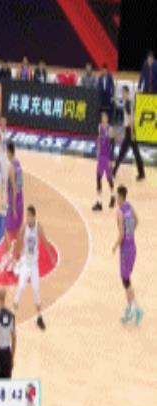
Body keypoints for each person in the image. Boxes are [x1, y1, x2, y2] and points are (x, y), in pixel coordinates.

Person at [13, 205, 54, 330]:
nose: (27, 218)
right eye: (27, 216)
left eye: (29, 216)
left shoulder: (38, 227)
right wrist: (15, 255)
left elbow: (45, 242)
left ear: (34, 217)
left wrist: (51, 256)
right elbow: (18, 240)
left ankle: (39, 317)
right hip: (25, 263)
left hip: (34, 265)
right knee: (20, 287)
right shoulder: (24, 227)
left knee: (36, 290)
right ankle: (12, 316)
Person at [112, 185, 143, 325]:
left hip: (125, 250)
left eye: (117, 196)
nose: (116, 198)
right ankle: (130, 309)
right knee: (126, 279)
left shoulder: (119, 212)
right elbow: (137, 221)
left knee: (125, 281)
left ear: (120, 197)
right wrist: (131, 233)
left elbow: (121, 234)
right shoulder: (129, 207)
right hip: (133, 247)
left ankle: (136, 309)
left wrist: (114, 246)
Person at [113, 86, 145, 181]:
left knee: (124, 152)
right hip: (130, 130)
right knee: (134, 153)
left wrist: (131, 133)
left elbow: (131, 119)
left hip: (130, 131)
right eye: (122, 92)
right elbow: (130, 118)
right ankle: (141, 173)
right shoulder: (128, 102)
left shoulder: (128, 104)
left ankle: (114, 172)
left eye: (123, 92)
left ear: (127, 93)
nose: (122, 94)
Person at [92, 112, 115, 211]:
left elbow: (113, 145)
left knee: (109, 179)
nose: (103, 119)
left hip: (107, 157)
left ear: (107, 119)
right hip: (101, 157)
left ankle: (113, 196)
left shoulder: (110, 129)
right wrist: (98, 148)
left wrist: (111, 159)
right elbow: (99, 139)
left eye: (105, 117)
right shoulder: (99, 127)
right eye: (102, 117)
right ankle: (99, 202)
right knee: (98, 178)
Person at [4, 142, 24, 258]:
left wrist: (14, 208)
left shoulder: (11, 167)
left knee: (6, 230)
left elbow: (14, 188)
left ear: (9, 152)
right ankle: (20, 255)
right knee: (18, 231)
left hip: (14, 201)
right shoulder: (18, 163)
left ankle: (11, 256)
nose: (6, 154)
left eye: (6, 152)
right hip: (21, 198)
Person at [0, 117, 9, 210]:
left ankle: (4, 203)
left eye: (5, 122)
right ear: (0, 123)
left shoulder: (5, 131)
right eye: (3, 122)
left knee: (5, 181)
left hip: (4, 158)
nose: (5, 123)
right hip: (0, 159)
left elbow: (5, 146)